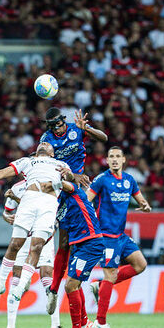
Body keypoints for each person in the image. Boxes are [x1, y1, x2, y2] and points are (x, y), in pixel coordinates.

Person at [0, 142, 74, 303]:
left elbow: (71, 182)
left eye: (47, 144)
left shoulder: (61, 164)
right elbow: (2, 173)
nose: (44, 144)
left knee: (36, 246)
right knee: (15, 244)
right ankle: (0, 284)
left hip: (48, 204)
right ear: (36, 152)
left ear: (52, 154)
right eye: (41, 143)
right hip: (28, 201)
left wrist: (68, 175)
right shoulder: (27, 161)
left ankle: (21, 287)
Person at [40, 107, 107, 315]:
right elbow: (45, 167)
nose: (58, 128)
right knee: (64, 242)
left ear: (63, 120)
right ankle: (55, 289)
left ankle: (87, 282)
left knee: (88, 232)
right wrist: (69, 176)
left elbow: (104, 138)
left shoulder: (75, 129)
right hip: (62, 189)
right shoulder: (46, 140)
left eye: (60, 123)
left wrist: (87, 128)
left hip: (80, 186)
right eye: (53, 126)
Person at [86, 147, 151, 328]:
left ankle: (100, 286)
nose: (114, 160)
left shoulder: (129, 180)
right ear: (107, 160)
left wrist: (145, 206)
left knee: (140, 264)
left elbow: (142, 201)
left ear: (124, 160)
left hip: (121, 235)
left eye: (117, 157)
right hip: (105, 236)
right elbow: (86, 201)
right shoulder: (101, 180)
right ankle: (100, 321)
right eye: (111, 157)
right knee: (110, 274)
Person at [0, 180, 61, 328]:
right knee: (17, 279)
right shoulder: (17, 187)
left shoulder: (51, 184)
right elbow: (6, 212)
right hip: (23, 238)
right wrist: (9, 218)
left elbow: (55, 209)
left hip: (43, 237)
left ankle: (55, 327)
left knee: (47, 277)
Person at [57, 183, 105, 328]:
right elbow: (63, 237)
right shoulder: (59, 207)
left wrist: (54, 178)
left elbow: (69, 181)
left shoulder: (73, 191)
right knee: (74, 285)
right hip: (77, 245)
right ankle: (84, 323)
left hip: (90, 242)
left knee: (70, 285)